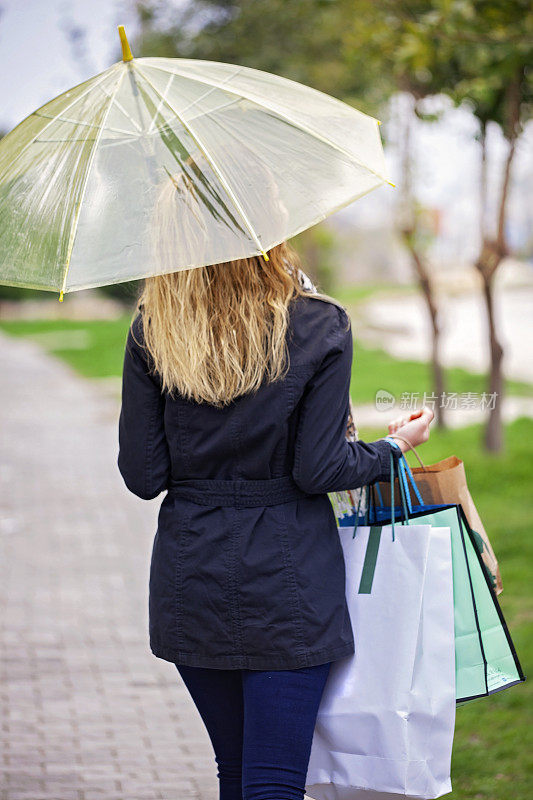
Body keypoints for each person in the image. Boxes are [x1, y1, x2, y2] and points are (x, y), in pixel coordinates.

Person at [117, 240, 434, 800]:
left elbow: (144, 475)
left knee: (235, 772)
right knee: (274, 782)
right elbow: (321, 468)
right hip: (290, 583)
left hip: (191, 578)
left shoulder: (152, 330)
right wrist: (394, 447)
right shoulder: (319, 323)